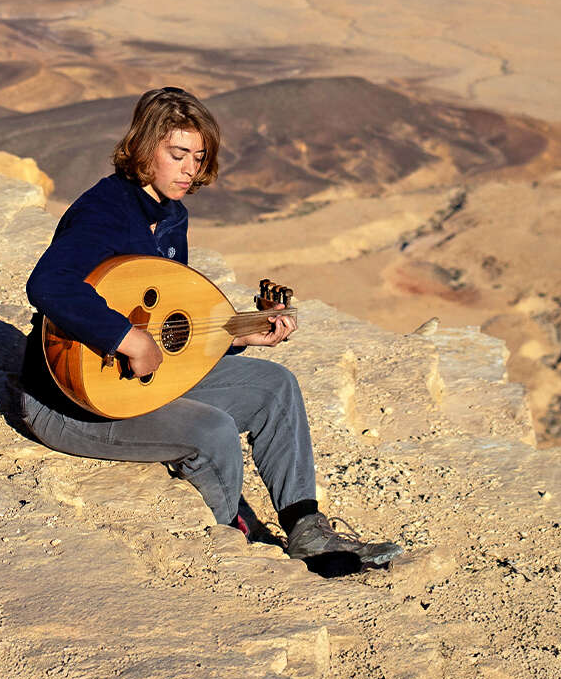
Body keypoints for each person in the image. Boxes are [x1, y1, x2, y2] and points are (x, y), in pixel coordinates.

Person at [20, 86, 403, 571]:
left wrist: (235, 335)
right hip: (70, 402)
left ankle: (307, 529)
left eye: (197, 158)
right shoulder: (105, 212)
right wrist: (127, 338)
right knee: (212, 430)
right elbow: (49, 284)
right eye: (177, 154)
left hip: (134, 388)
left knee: (275, 386)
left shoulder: (172, 217)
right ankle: (231, 544)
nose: (189, 169)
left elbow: (164, 326)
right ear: (142, 148)